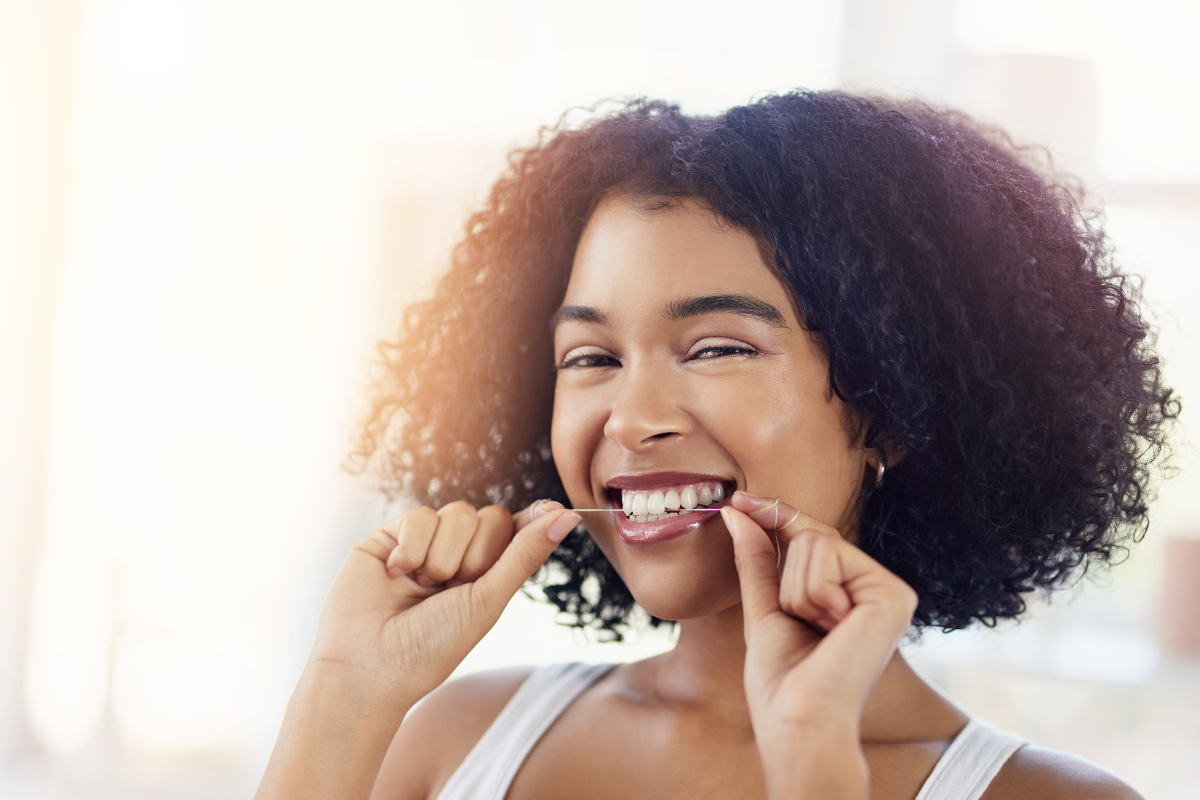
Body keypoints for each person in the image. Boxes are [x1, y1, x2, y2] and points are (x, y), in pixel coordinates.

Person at [255, 91, 1177, 800]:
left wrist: (816, 768)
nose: (629, 416)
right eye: (591, 356)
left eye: (717, 348)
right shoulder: (453, 740)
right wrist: (346, 693)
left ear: (891, 405)